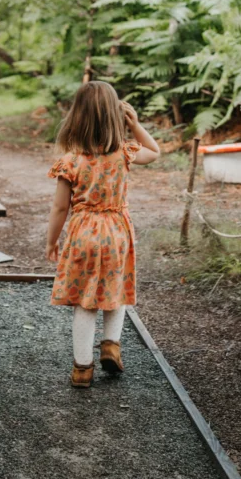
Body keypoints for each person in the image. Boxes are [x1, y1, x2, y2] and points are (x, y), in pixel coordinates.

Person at [46, 80, 160, 388]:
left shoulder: (70, 161)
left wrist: (51, 241)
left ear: (76, 117)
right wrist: (136, 125)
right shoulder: (124, 153)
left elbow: (59, 209)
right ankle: (111, 345)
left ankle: (82, 368)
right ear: (115, 115)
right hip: (116, 232)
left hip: (84, 233)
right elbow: (155, 151)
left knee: (86, 301)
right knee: (116, 290)